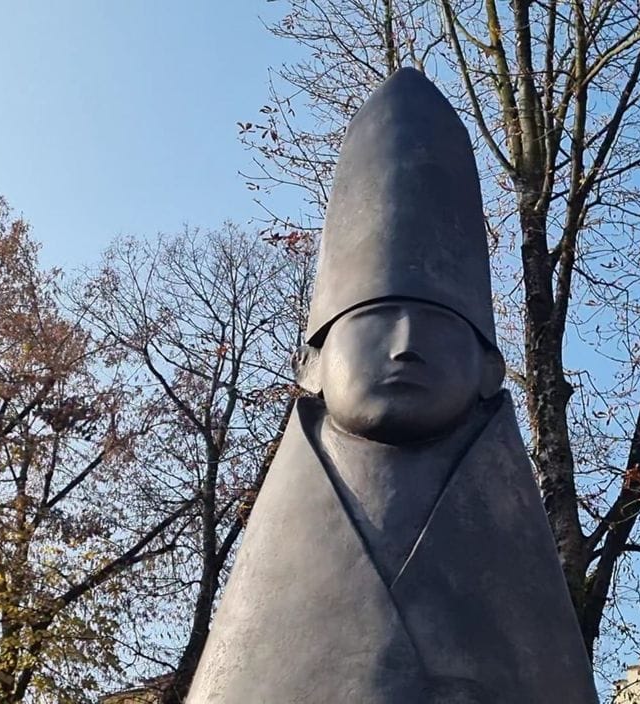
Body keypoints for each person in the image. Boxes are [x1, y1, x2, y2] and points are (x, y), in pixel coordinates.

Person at [187, 67, 597, 704]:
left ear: (490, 368)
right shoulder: (273, 576)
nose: (406, 345)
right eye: (377, 321)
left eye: (437, 325)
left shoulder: (514, 567)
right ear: (313, 363)